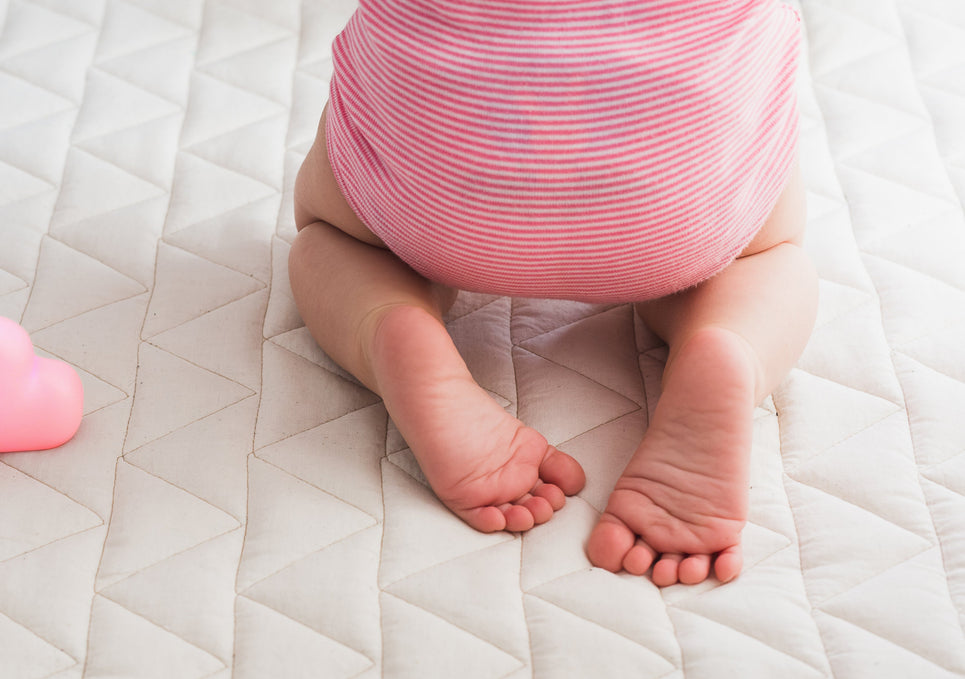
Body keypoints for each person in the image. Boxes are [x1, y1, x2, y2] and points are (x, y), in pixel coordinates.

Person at [289, 0, 816, 587]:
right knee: (767, 258)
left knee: (331, 240)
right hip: (675, 188)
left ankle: (391, 324)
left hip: (442, 173)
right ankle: (727, 347)